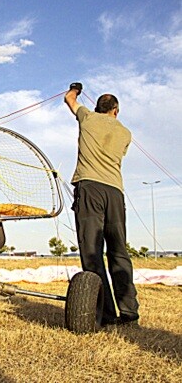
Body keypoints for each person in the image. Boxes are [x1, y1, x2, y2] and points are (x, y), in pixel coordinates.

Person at [64, 83, 140, 327]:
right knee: (119, 251)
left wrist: (75, 88)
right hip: (115, 192)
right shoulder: (125, 133)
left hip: (90, 189)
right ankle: (129, 312)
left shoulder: (87, 117)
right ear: (116, 111)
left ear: (97, 108)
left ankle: (105, 314)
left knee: (92, 252)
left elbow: (69, 99)